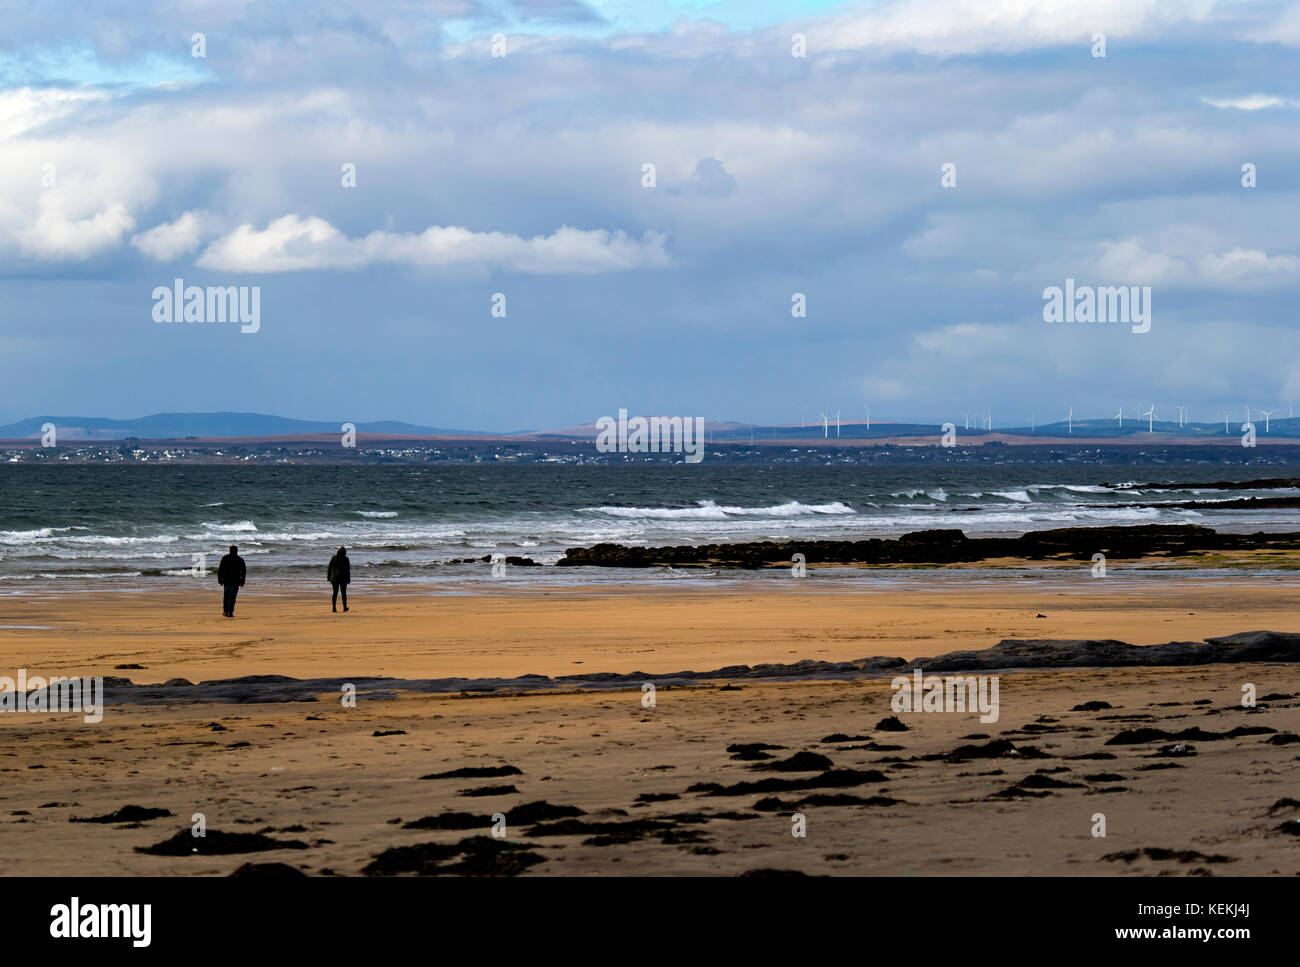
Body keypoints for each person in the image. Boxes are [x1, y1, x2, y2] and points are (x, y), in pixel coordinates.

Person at [216, 545, 246, 617]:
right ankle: (230, 612)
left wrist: (220, 579)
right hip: (236, 581)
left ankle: (226, 611)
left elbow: (220, 570)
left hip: (227, 580)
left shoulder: (225, 558)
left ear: (229, 550)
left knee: (226, 596)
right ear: (237, 551)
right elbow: (243, 572)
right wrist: (243, 581)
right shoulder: (240, 559)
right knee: (233, 597)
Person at [328, 546, 351, 612]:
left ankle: (334, 608)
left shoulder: (334, 558)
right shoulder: (346, 559)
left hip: (334, 578)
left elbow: (329, 568)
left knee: (335, 593)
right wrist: (348, 579)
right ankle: (344, 607)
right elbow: (348, 570)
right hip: (343, 578)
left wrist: (329, 577)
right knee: (343, 593)